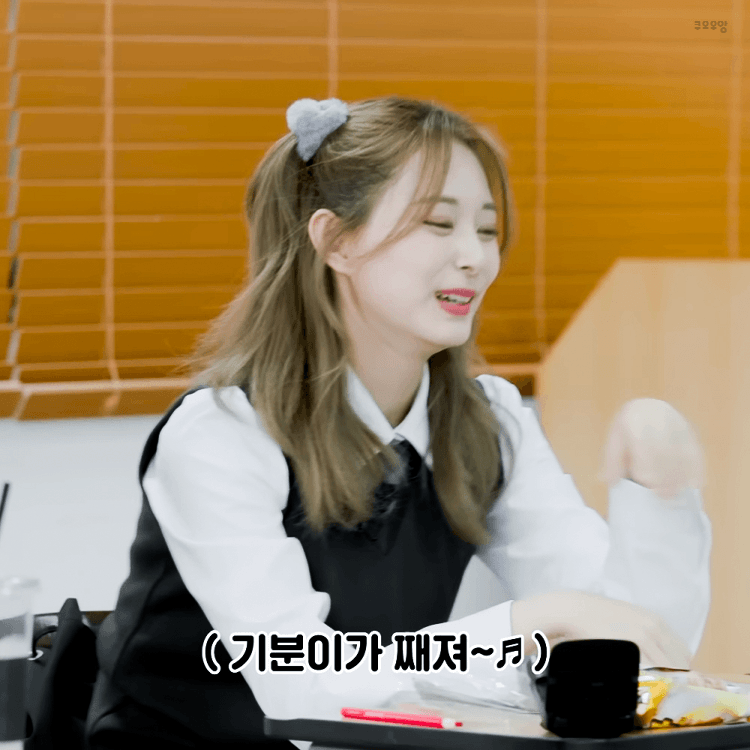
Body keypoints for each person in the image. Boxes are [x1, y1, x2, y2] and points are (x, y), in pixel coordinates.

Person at [85, 96, 711, 750]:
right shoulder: (221, 435)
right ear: (336, 241)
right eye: (438, 224)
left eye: (487, 230)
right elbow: (299, 679)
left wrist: (659, 498)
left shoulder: (489, 423)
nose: (475, 257)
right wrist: (527, 625)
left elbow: (643, 646)